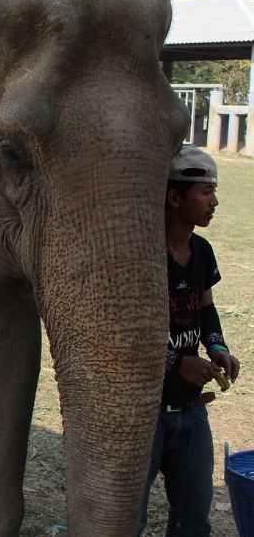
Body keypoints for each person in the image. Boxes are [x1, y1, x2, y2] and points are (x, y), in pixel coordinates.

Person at [138, 145, 241, 536]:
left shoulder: (202, 251)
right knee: (128, 518)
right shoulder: (143, 253)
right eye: (205, 192)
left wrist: (216, 347)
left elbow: (205, 310)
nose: (214, 201)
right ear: (174, 197)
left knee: (194, 521)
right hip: (145, 413)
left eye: (214, 191)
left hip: (191, 410)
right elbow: (130, 329)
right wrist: (177, 361)